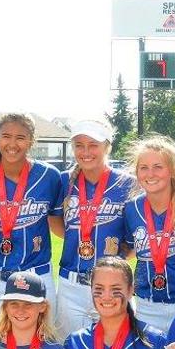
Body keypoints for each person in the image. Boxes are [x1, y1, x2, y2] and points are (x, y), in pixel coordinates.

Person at [0, 113, 63, 321]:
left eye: (20, 137)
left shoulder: (49, 176)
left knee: (42, 340)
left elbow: (59, 226)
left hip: (37, 277)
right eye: (6, 136)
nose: (12, 144)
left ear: (31, 141)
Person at [52, 120, 133, 337]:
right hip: (71, 284)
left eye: (93, 145)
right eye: (79, 145)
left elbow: (136, 234)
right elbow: (56, 221)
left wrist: (120, 260)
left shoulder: (128, 183)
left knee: (115, 348)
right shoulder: (64, 181)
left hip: (112, 285)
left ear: (107, 147)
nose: (86, 152)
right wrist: (76, 237)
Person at [122, 135, 175, 332]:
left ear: (173, 170)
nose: (150, 173)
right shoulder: (132, 209)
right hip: (146, 306)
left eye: (158, 167)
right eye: (143, 167)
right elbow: (128, 250)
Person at [62, 256, 167, 349]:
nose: (106, 297)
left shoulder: (155, 341)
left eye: (115, 289)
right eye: (99, 288)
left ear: (131, 291)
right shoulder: (76, 343)